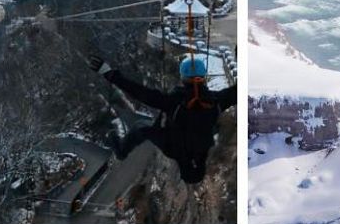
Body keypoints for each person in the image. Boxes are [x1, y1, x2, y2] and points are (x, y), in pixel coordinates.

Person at [89, 53, 236, 184]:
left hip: (174, 146)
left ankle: (121, 151)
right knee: (194, 162)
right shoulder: (216, 101)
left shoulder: (174, 102)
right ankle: (194, 170)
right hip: (200, 146)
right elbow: (235, 92)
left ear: (183, 78)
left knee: (141, 127)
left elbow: (141, 93)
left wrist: (110, 74)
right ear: (204, 78)